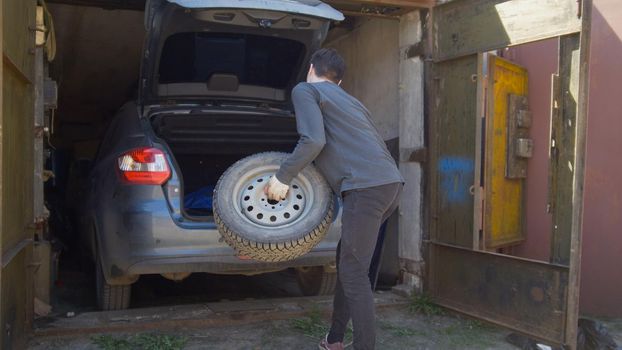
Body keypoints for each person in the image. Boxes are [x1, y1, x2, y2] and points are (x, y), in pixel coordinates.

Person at [264, 48, 404, 350]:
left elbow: (313, 139)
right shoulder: (351, 102)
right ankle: (335, 338)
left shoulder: (306, 89)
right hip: (389, 184)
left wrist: (282, 177)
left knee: (354, 273)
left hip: (366, 189)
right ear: (338, 82)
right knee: (350, 264)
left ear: (311, 69)